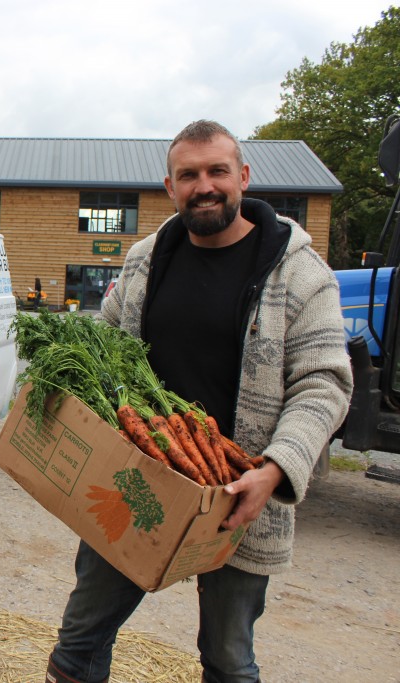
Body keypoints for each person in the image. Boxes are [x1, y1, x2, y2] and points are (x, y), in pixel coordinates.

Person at [45, 120, 353, 683]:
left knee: (229, 660)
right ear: (170, 186)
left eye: (217, 171)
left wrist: (275, 470)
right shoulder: (145, 260)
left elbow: (325, 382)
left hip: (240, 496)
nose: (204, 186)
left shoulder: (300, 272)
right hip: (134, 483)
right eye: (189, 175)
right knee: (78, 643)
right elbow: (106, 345)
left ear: (244, 177)